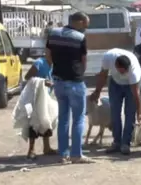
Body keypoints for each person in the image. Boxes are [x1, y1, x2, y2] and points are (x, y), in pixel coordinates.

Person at [46, 12, 93, 164]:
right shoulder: (80, 38)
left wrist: (56, 67)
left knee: (63, 119)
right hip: (75, 81)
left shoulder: (53, 33)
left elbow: (48, 54)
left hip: (58, 81)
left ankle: (63, 154)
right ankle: (76, 155)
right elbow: (84, 60)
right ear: (78, 22)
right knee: (79, 119)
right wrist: (79, 73)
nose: (86, 28)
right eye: (85, 24)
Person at [90, 48, 141, 155]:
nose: (123, 73)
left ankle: (125, 143)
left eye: (125, 71)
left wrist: (139, 113)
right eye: (121, 71)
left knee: (130, 113)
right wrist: (97, 92)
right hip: (115, 84)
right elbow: (103, 76)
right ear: (116, 66)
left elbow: (136, 95)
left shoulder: (134, 72)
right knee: (114, 112)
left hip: (130, 86)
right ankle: (116, 142)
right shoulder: (108, 58)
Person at [23, 56, 56, 159]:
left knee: (47, 120)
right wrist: (43, 82)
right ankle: (31, 150)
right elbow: (27, 77)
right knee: (33, 123)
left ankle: (47, 147)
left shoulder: (54, 65)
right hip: (33, 99)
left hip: (46, 98)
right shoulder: (39, 63)